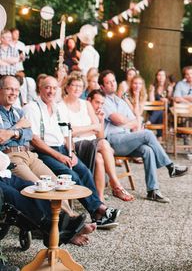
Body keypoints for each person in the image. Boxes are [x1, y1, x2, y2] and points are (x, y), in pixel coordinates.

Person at [24, 75, 120, 229]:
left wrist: (71, 152)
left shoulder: (57, 107)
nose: (51, 91)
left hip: (62, 148)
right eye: (47, 87)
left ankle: (97, 213)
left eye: (54, 88)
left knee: (85, 171)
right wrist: (59, 156)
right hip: (43, 151)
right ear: (40, 88)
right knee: (72, 176)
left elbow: (66, 133)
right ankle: (99, 210)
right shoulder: (31, 107)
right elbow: (34, 140)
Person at [99, 70, 188, 203]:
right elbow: (117, 120)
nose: (112, 84)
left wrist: (126, 122)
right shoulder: (103, 101)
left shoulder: (120, 101)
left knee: (148, 150)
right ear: (102, 86)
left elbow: (135, 121)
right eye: (108, 82)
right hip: (113, 141)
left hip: (127, 138)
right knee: (147, 134)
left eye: (113, 81)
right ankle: (170, 167)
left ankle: (153, 190)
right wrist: (126, 122)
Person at [58, 76, 134, 202]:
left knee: (99, 158)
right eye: (74, 85)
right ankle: (116, 185)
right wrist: (90, 128)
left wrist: (99, 122)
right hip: (74, 144)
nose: (77, 88)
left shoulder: (86, 104)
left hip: (93, 144)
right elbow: (68, 132)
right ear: (67, 87)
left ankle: (100, 200)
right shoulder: (61, 106)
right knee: (104, 144)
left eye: (80, 86)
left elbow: (99, 132)